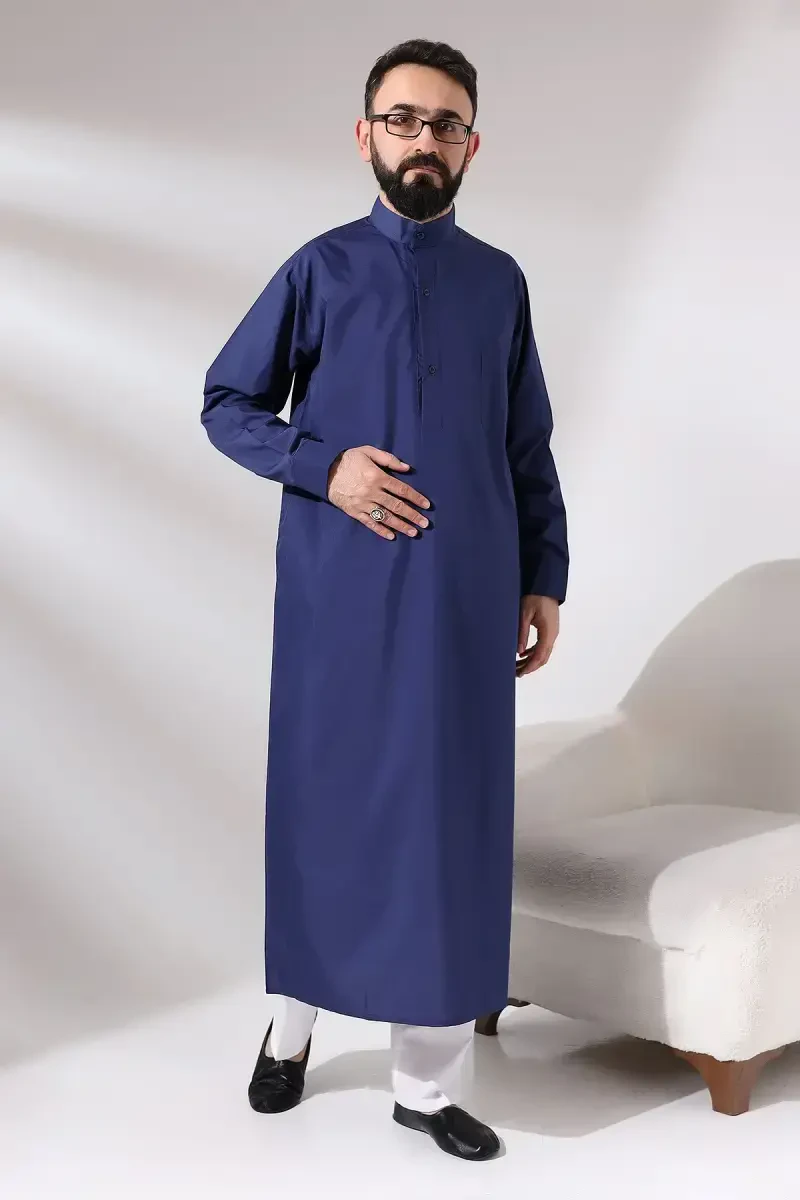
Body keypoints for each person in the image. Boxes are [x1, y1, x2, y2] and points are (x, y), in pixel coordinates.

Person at [201, 38, 569, 1162]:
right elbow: (228, 403)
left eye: (444, 124)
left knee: (447, 830)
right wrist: (328, 468)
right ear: (364, 135)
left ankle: (426, 1085)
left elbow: (526, 445)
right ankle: (291, 1029)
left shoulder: (498, 282)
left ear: (471, 146)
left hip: (464, 604)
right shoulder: (319, 270)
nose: (424, 140)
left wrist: (543, 574)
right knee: (327, 811)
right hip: (341, 603)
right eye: (403, 119)